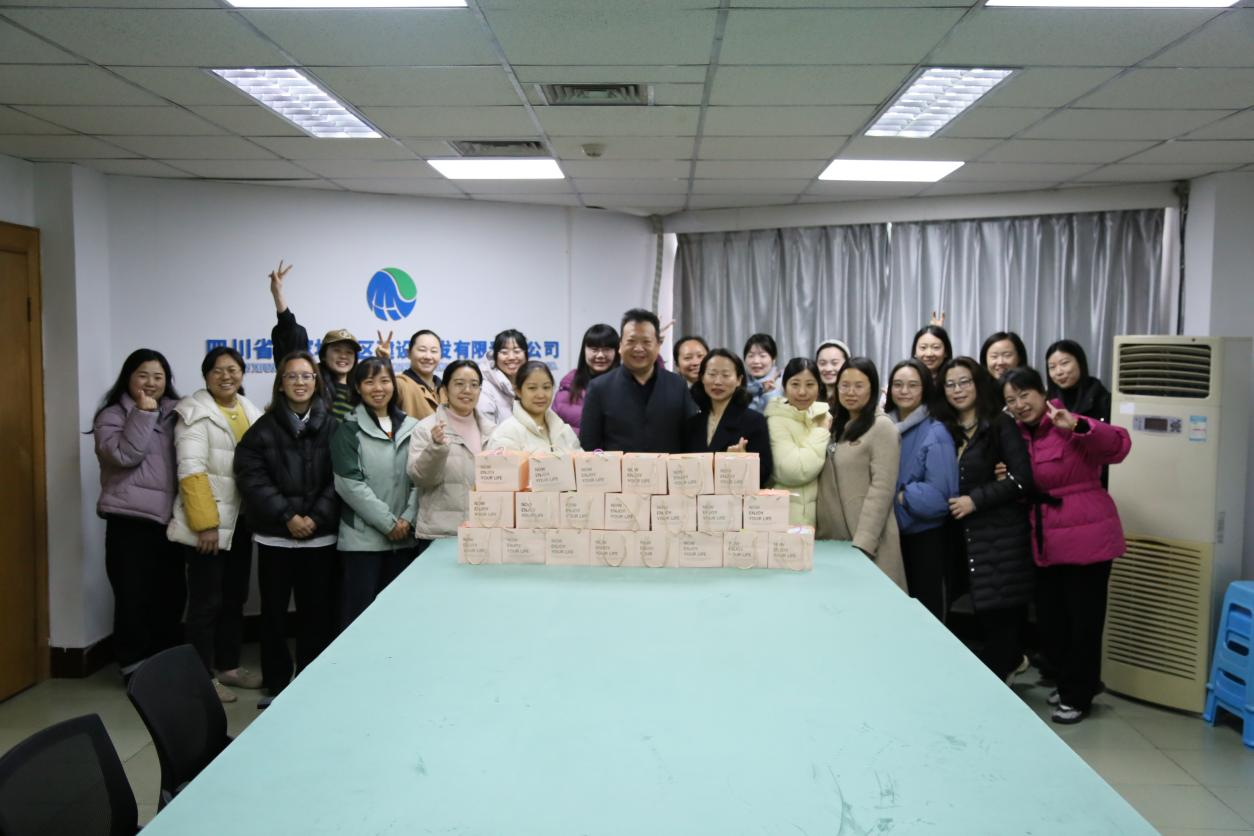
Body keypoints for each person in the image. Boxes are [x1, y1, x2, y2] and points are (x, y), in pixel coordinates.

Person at [1003, 367, 1131, 724]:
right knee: (1053, 624)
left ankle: (1078, 695)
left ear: (1042, 393)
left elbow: (1119, 446)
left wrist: (1077, 425)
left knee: (1083, 624)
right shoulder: (1016, 435)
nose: (1020, 404)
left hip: (1088, 537)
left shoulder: (1068, 422)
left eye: (1024, 395)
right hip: (1045, 541)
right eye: (1011, 400)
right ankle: (1072, 681)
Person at [234, 351, 339, 701]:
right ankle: (276, 683)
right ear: (280, 384)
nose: (300, 382)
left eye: (307, 376)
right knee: (274, 616)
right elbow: (251, 478)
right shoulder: (262, 429)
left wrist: (315, 517)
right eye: (292, 376)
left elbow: (342, 477)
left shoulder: (333, 426)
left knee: (316, 615)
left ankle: (311, 683)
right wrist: (288, 516)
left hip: (320, 539)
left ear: (316, 382)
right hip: (276, 539)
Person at [167, 347, 264, 703]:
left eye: (233, 369)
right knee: (205, 603)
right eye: (218, 370)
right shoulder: (194, 412)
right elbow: (191, 471)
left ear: (242, 373)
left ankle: (227, 666)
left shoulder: (250, 410)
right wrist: (206, 524)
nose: (226, 376)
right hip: (207, 527)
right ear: (206, 376)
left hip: (240, 523)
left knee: (234, 599)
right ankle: (201, 677)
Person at [934, 357, 1036, 684]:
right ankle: (1010, 661)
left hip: (999, 534)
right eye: (950, 384)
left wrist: (974, 500)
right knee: (976, 614)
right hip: (961, 535)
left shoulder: (999, 423)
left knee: (999, 613)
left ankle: (1002, 676)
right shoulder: (943, 427)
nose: (958, 390)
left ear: (978, 383)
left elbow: (1022, 479)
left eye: (965, 382)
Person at [92, 349, 185, 680]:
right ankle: (134, 667)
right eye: (143, 375)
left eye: (158, 377)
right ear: (128, 378)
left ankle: (164, 661)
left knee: (171, 595)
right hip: (129, 520)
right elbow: (125, 455)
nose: (151, 383)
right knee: (132, 595)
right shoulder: (111, 415)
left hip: (169, 522)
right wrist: (144, 414)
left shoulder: (177, 412)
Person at [331, 358, 420, 629]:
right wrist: (389, 523)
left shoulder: (413, 426)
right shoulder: (347, 428)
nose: (378, 388)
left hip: (404, 539)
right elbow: (350, 484)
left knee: (398, 617)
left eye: (384, 380)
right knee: (359, 619)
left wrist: (407, 518)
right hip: (363, 543)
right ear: (358, 387)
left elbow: (421, 478)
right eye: (369, 382)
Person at [815, 358, 907, 591]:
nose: (850, 392)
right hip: (833, 541)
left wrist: (864, 542)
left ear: (872, 389)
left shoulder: (882, 427)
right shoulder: (834, 425)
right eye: (844, 385)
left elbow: (882, 489)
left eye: (859, 386)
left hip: (869, 542)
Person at [884, 359, 957, 622]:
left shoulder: (936, 431)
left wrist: (900, 496)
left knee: (925, 613)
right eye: (898, 384)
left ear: (925, 389)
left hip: (923, 536)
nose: (904, 391)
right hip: (890, 535)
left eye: (913, 385)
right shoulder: (883, 426)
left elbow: (940, 497)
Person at [579, 308, 697, 453]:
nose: (639, 348)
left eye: (646, 341)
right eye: (631, 341)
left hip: (667, 468)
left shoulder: (677, 385)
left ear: (658, 346)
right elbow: (589, 446)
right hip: (618, 468)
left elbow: (690, 439)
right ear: (620, 345)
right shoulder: (599, 388)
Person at [409, 359, 497, 544]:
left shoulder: (493, 431)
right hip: (440, 534)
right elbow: (420, 479)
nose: (467, 390)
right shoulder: (426, 429)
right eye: (459, 384)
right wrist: (435, 447)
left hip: (483, 533)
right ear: (444, 390)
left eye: (474, 385)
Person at [268, 260, 361, 422]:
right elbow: (292, 337)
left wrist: (384, 361)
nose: (343, 356)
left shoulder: (359, 386)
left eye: (349, 352)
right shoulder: (312, 381)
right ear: (323, 355)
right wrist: (278, 295)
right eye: (337, 350)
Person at [682, 349, 773, 486]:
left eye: (725, 375)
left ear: (739, 380)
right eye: (712, 374)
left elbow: (765, 473)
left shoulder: (754, 421)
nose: (717, 381)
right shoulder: (692, 424)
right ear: (702, 378)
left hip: (736, 498)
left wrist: (744, 460)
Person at [765, 358, 831, 526]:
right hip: (786, 519)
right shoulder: (775, 420)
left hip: (824, 520)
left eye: (810, 384)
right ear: (784, 386)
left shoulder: (825, 416)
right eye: (795, 384)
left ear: (819, 386)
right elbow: (794, 471)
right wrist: (821, 431)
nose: (802, 392)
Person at [487, 361, 582, 453]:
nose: (541, 395)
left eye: (546, 387)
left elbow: (580, 460)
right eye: (532, 388)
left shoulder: (563, 430)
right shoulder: (506, 433)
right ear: (518, 391)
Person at [553, 324, 619, 434]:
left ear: (617, 351)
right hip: (574, 445)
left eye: (606, 349)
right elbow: (554, 425)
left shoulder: (627, 383)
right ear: (584, 350)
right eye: (594, 349)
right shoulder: (568, 383)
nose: (600, 355)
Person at [1045, 339, 1111, 424]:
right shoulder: (1047, 402)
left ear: (1080, 362)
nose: (1058, 372)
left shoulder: (1102, 399)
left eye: (1064, 363)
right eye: (1052, 367)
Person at [478, 329, 528, 427]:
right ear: (495, 357)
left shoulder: (531, 383)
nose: (511, 357)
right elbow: (486, 431)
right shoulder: (485, 389)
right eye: (504, 352)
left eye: (517, 351)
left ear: (526, 355)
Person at [395, 329, 445, 420]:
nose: (428, 356)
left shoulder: (445, 389)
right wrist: (384, 362)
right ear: (408, 353)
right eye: (422, 350)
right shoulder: (400, 384)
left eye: (434, 351)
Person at [743, 333, 783, 413]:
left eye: (762, 356)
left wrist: (769, 393)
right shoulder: (739, 383)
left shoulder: (783, 382)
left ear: (773, 359)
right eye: (751, 356)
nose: (756, 361)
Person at [815, 339, 850, 405]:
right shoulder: (810, 398)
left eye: (834, 363)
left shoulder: (852, 397)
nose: (828, 369)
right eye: (822, 363)